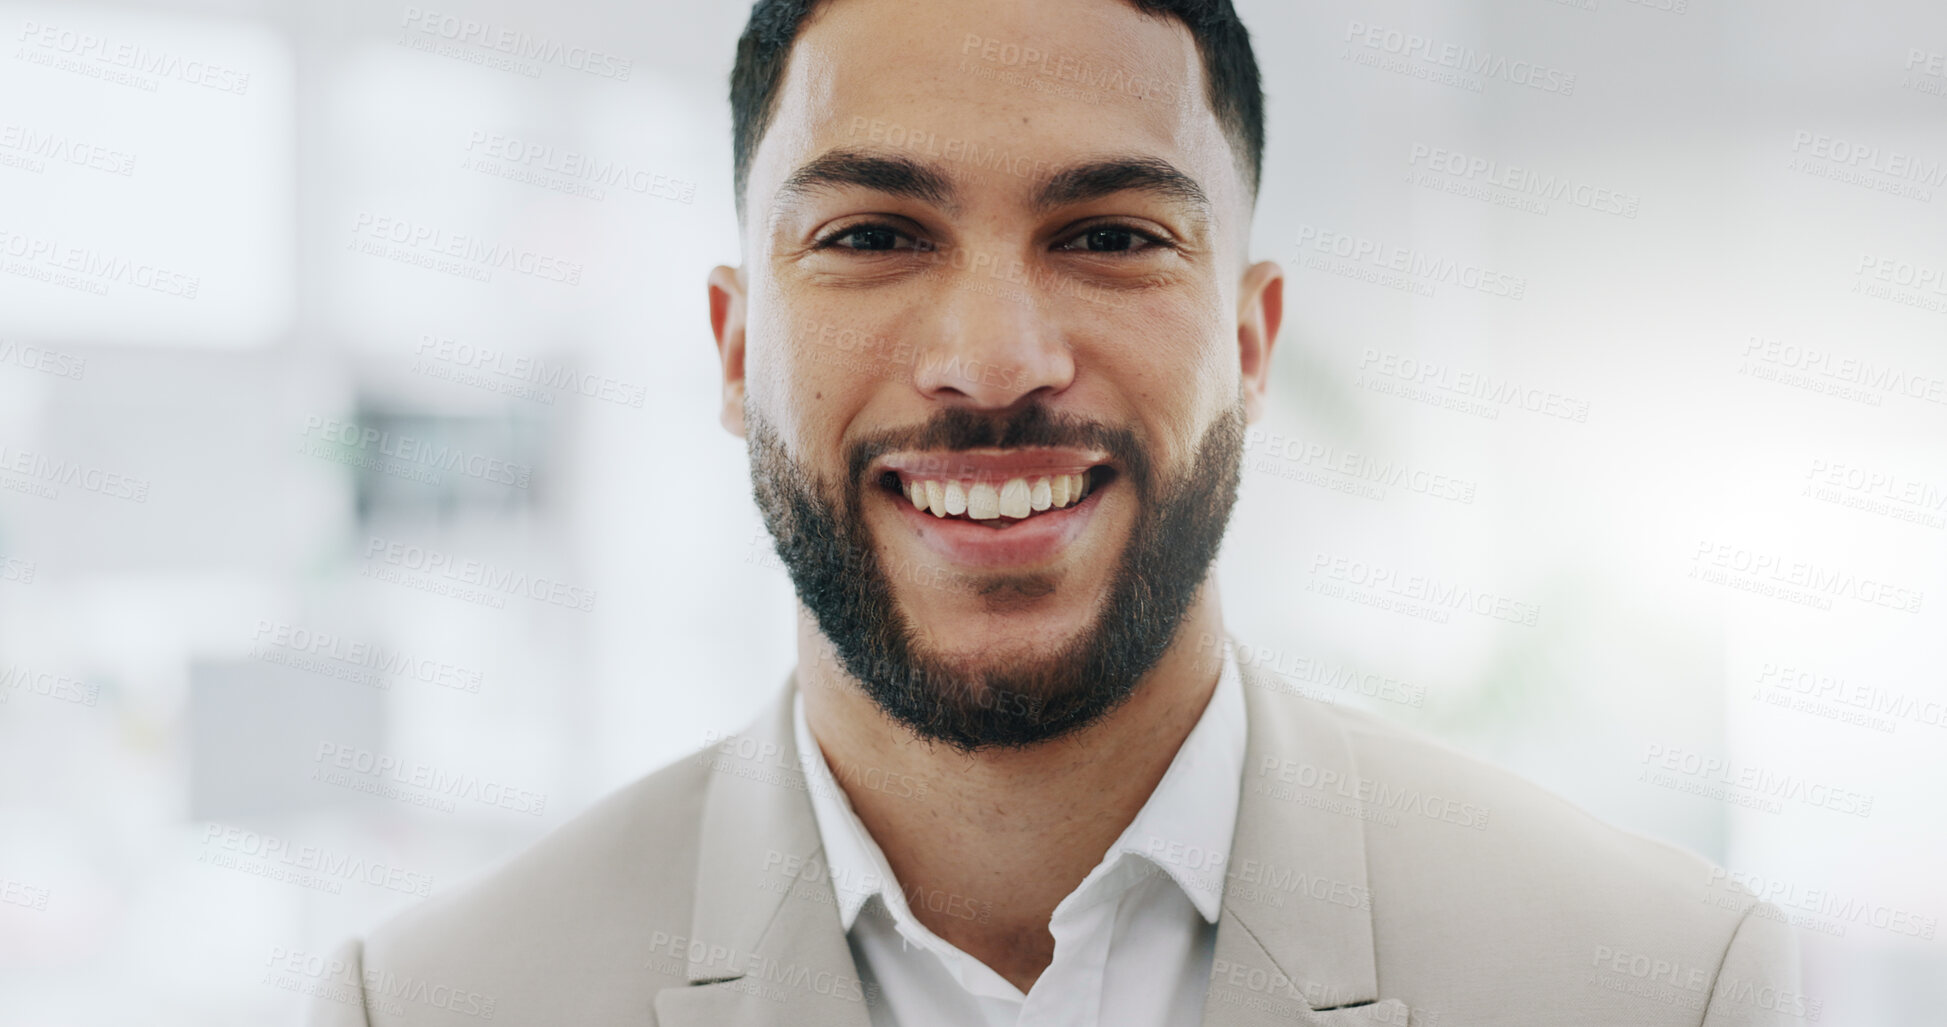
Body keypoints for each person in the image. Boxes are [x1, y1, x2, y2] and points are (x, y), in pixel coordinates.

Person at [310, 1, 1800, 1023]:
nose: (994, 359)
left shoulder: (1663, 988)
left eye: (1109, 234)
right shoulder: (434, 1005)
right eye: (874, 234)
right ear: (737, 348)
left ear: (1251, 343)